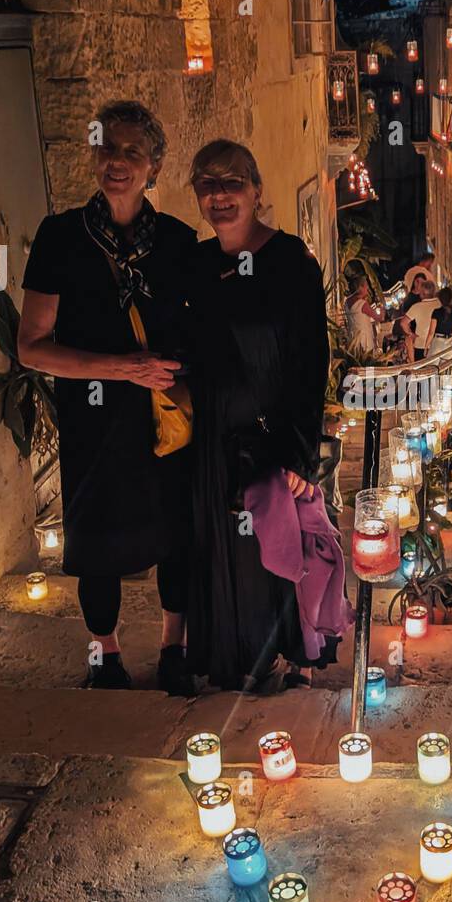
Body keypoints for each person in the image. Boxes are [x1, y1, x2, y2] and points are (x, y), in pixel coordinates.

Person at [17, 101, 195, 691]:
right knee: (96, 541)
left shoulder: (178, 243)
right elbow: (32, 348)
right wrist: (122, 368)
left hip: (165, 419)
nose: (116, 163)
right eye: (106, 149)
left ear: (154, 167)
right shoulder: (59, 237)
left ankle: (175, 646)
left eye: (131, 152)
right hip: (92, 421)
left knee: (174, 531)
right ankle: (105, 657)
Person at [185, 139, 345, 692]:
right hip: (214, 440)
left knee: (267, 554)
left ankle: (278, 662)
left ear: (256, 190)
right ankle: (234, 663)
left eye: (232, 182)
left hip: (271, 439)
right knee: (228, 550)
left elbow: (310, 360)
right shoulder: (199, 265)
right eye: (207, 183)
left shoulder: (290, 262)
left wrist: (299, 451)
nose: (220, 195)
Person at [425, 286, 452, 359]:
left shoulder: (436, 312)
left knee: (432, 367)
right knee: (446, 368)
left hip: (437, 342)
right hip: (449, 343)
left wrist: (426, 346)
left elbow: (431, 332)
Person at [345, 274, 383, 354]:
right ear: (360, 288)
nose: (367, 288)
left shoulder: (347, 302)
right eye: (366, 286)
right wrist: (382, 307)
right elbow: (379, 318)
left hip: (353, 339)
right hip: (364, 341)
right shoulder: (362, 304)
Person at [405, 279, 439, 360]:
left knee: (421, 371)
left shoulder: (417, 307)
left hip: (421, 345)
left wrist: (410, 333)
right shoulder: (440, 304)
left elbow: (403, 323)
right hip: (439, 344)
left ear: (422, 293)